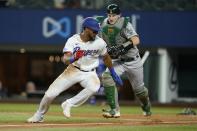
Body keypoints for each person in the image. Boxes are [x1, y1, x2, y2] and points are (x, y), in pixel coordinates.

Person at [27, 17, 123, 123]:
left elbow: (106, 57)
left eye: (97, 31)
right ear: (86, 29)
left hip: (90, 73)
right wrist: (74, 58)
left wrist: (113, 72)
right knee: (50, 94)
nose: (96, 33)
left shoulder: (100, 42)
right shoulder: (73, 40)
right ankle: (39, 115)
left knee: (94, 87)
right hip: (73, 70)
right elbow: (65, 59)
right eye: (94, 30)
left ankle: (69, 103)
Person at [95, 4, 152, 118]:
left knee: (139, 90)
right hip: (118, 61)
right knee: (106, 77)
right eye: (109, 15)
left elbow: (136, 40)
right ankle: (114, 110)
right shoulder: (102, 24)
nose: (111, 17)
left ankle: (146, 106)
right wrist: (107, 49)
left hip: (133, 61)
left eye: (114, 15)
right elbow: (100, 42)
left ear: (119, 15)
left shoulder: (124, 24)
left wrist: (122, 47)